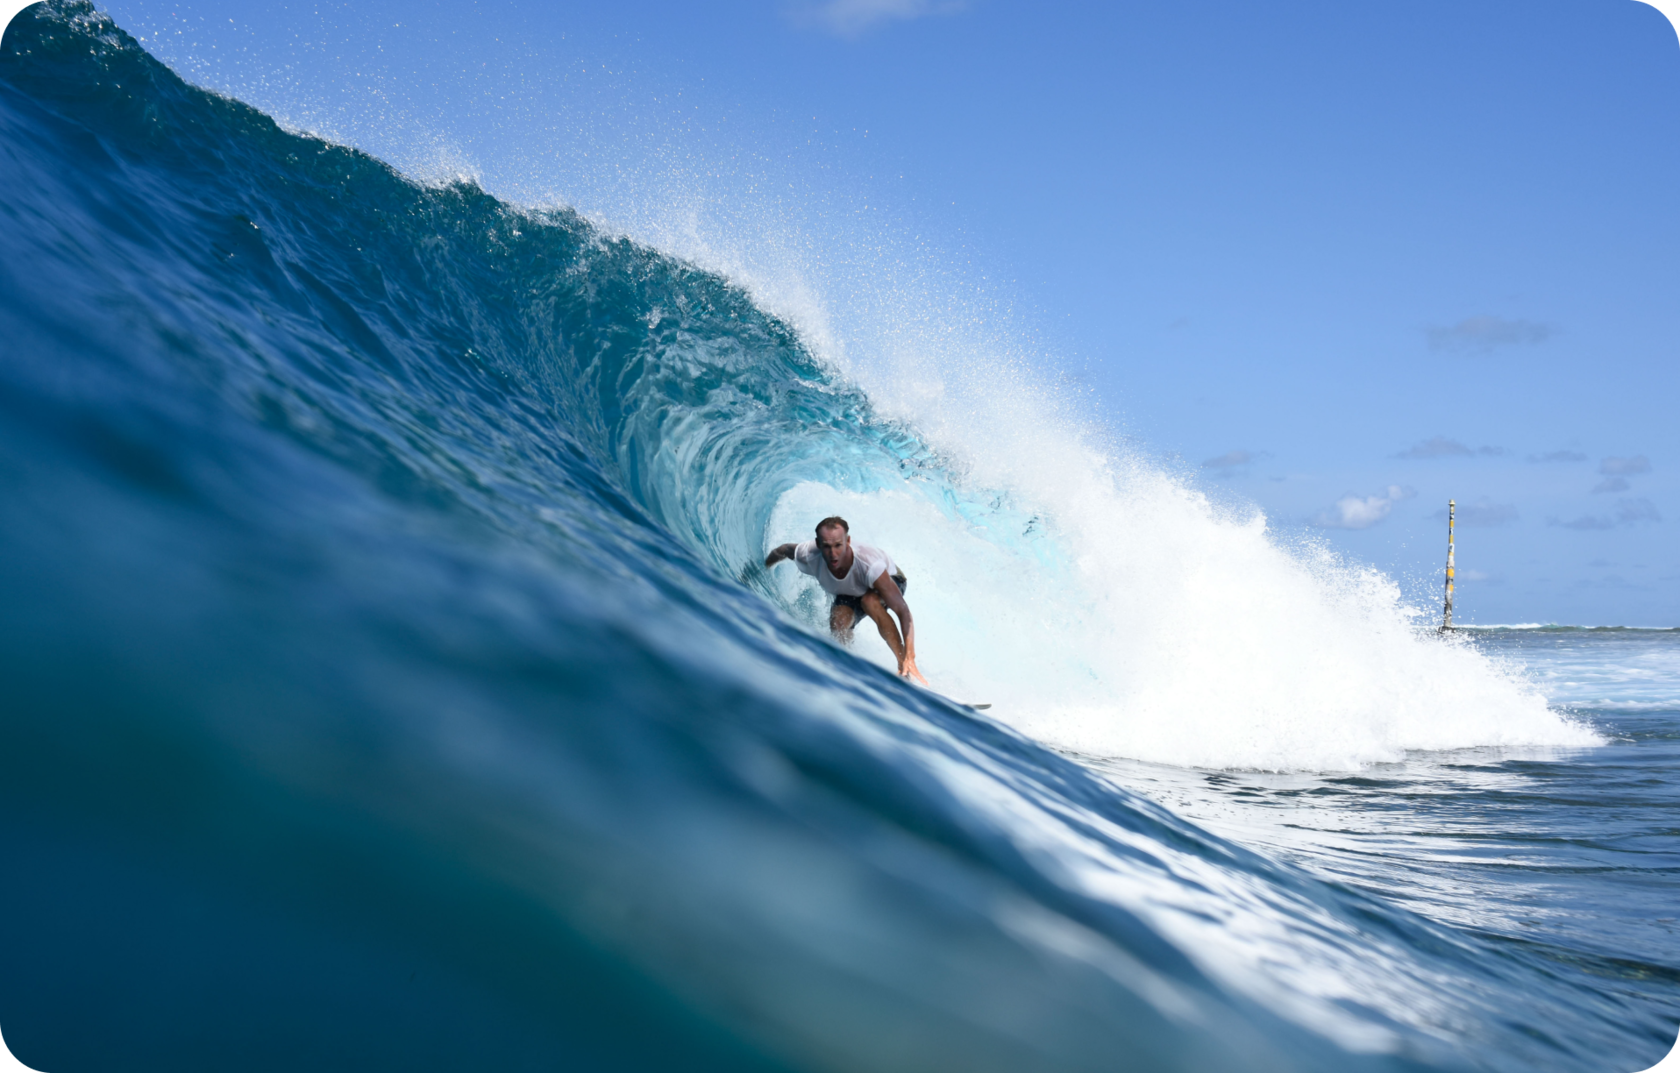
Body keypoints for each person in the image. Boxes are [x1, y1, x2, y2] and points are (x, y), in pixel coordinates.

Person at [764, 516, 927, 684]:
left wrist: (910, 654)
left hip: (891, 578)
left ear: (848, 541)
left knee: (870, 602)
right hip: (852, 589)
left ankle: (904, 668)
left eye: (838, 546)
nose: (833, 554)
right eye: (826, 547)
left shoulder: (869, 565)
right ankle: (845, 667)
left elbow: (903, 610)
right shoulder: (809, 553)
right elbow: (783, 550)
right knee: (838, 623)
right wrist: (760, 569)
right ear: (818, 544)